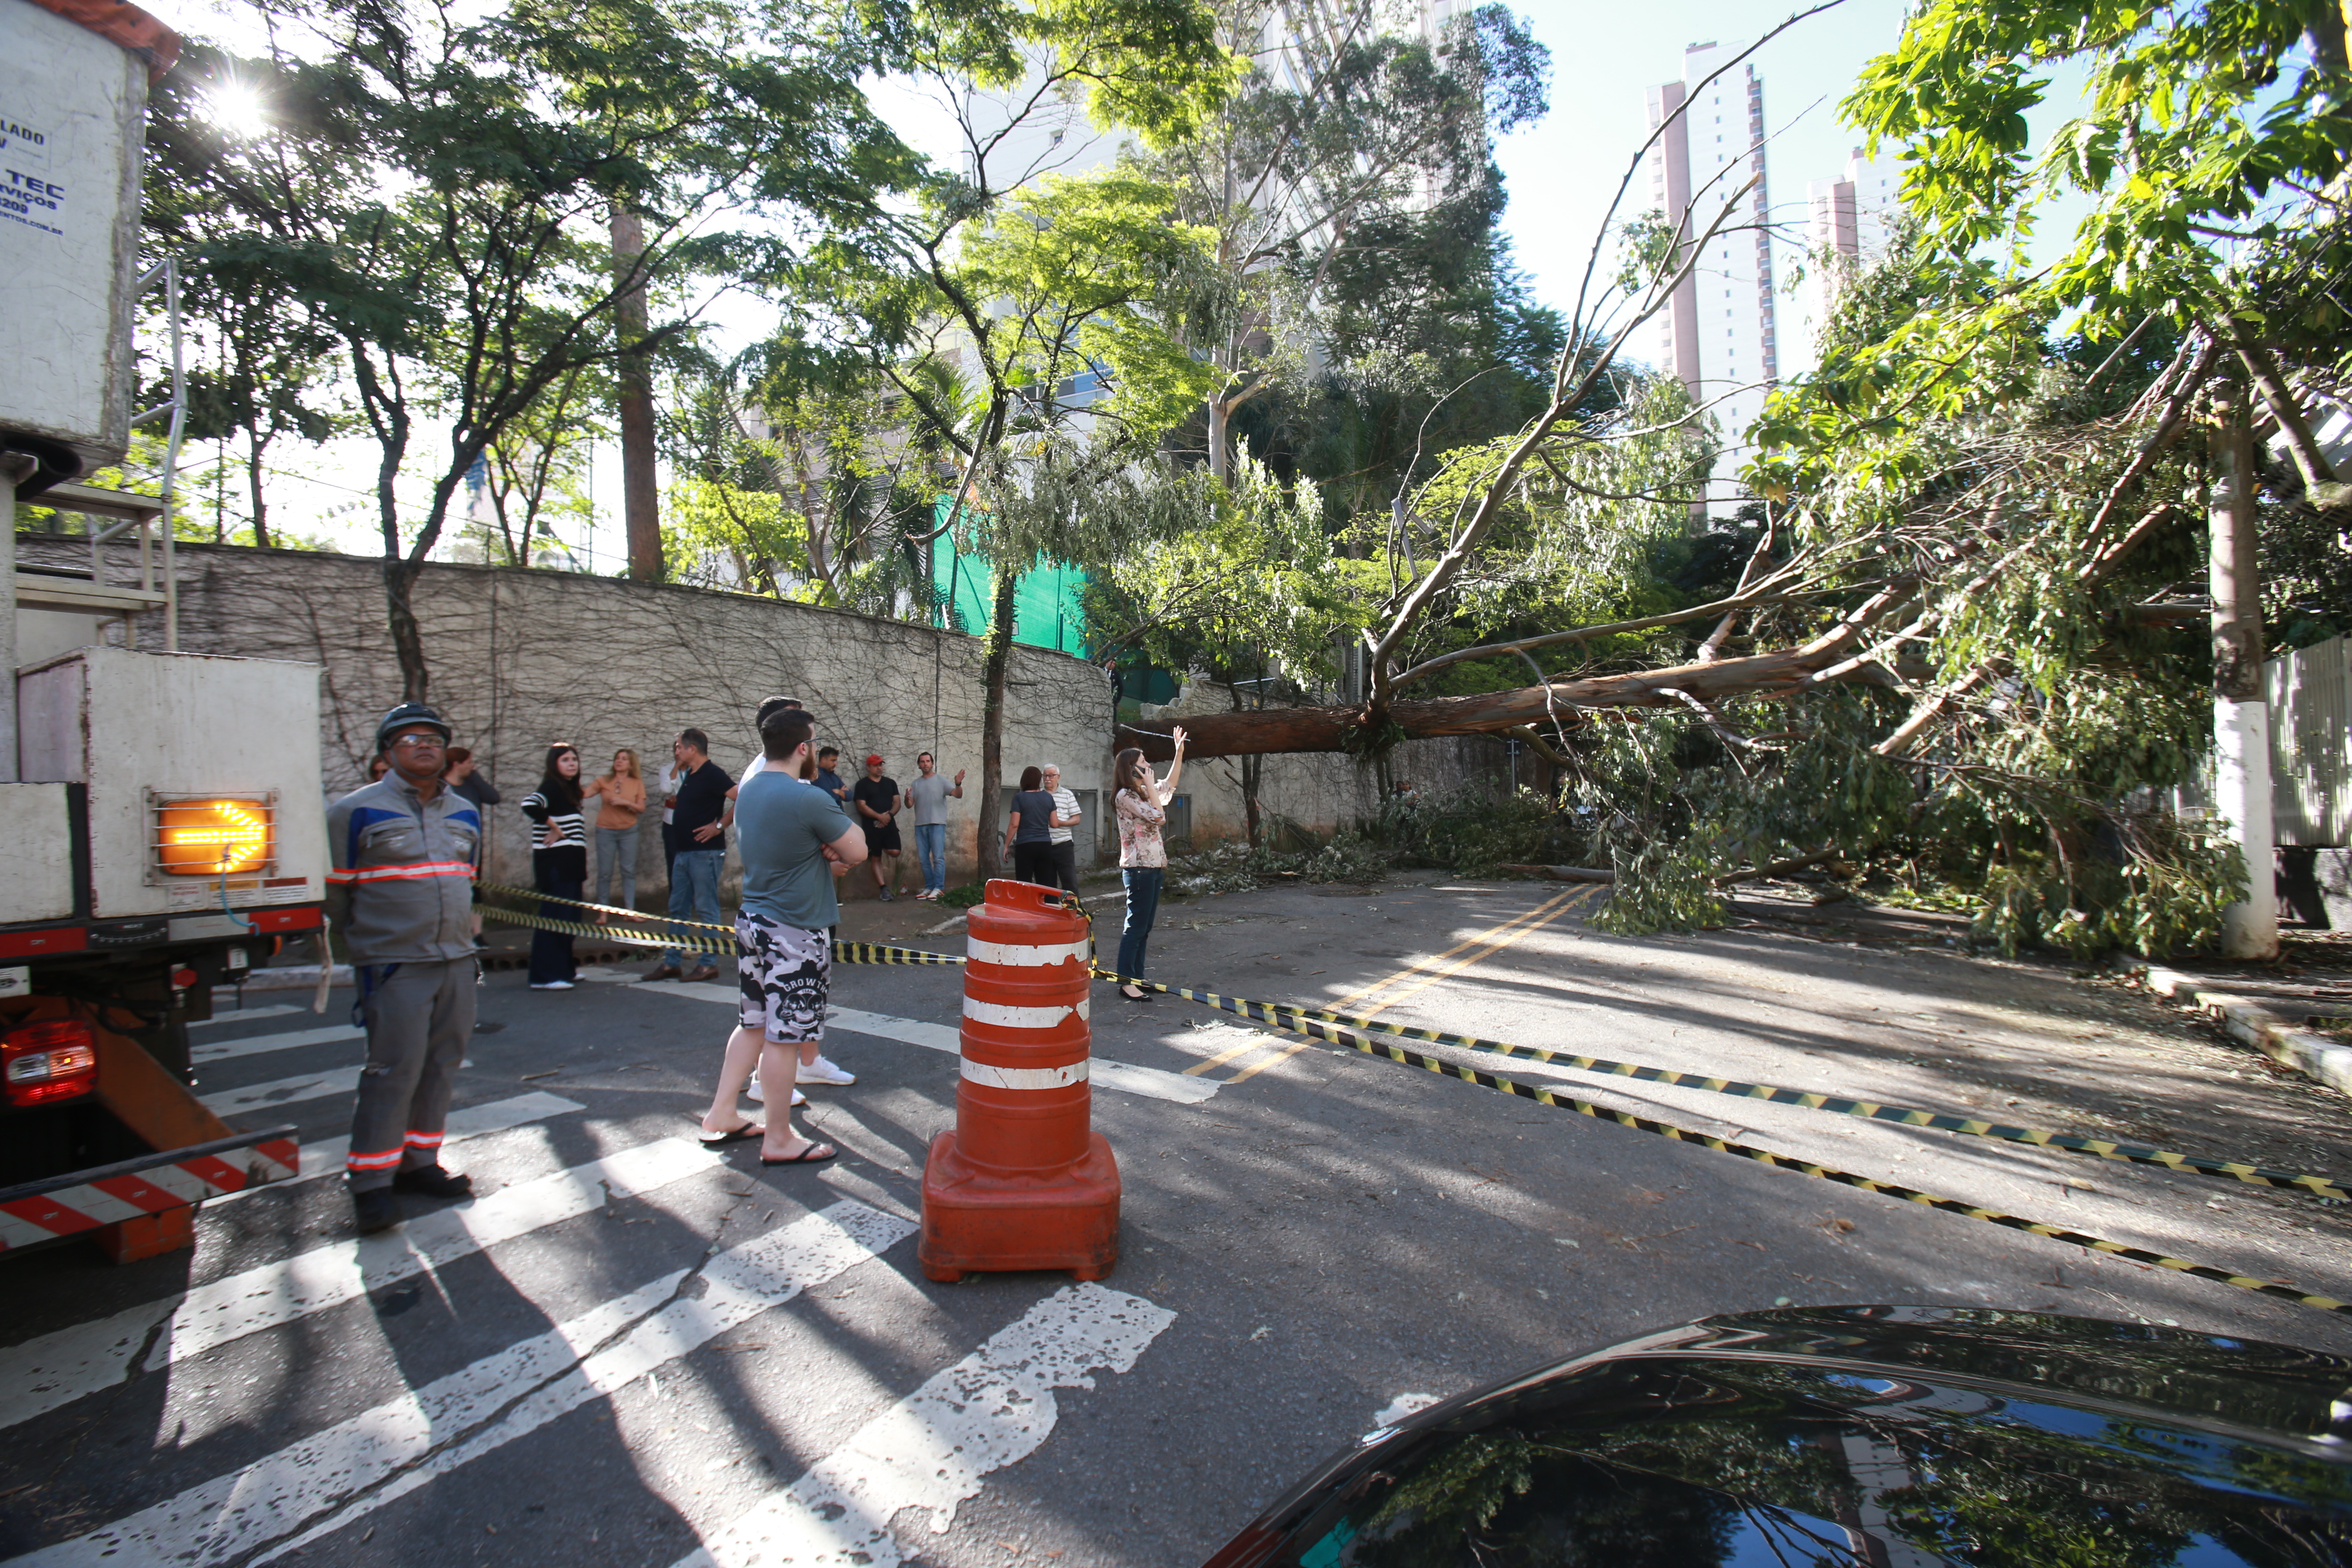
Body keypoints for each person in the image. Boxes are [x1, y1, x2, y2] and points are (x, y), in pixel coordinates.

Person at [324, 702, 481, 1235]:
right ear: (388, 752)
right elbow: (338, 896)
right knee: (393, 1070)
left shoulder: (464, 811)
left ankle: (419, 1164)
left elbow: (466, 880)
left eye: (433, 738)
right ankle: (371, 1183)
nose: (424, 745)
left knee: (442, 1064)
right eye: (409, 738)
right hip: (395, 964)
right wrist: (363, 950)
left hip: (456, 960)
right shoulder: (354, 812)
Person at [699, 708, 868, 1165]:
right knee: (785, 1036)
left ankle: (721, 1113)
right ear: (803, 748)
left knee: (752, 1024)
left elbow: (790, 849)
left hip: (753, 921)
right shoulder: (808, 798)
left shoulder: (750, 791)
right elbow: (858, 848)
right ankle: (778, 1138)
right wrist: (829, 844)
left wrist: (818, 850)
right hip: (795, 929)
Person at [646, 729, 730, 983]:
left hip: (705, 853)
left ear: (692, 749)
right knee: (677, 907)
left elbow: (743, 797)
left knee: (706, 908)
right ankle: (672, 962)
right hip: (683, 852)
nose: (677, 751)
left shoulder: (713, 774)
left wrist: (718, 826)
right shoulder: (690, 775)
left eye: (679, 747)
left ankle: (708, 964)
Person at [1110, 728, 1186, 1001]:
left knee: (1145, 927)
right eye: (1144, 763)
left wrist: (1179, 752)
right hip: (1138, 868)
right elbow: (1159, 817)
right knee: (1135, 927)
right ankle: (1126, 982)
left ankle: (1137, 978)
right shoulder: (1125, 797)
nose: (1150, 766)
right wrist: (1153, 789)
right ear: (1132, 769)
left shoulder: (1143, 792)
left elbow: (1171, 784)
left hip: (1154, 866)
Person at [520, 743, 588, 990]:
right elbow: (530, 805)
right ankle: (544, 976)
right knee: (553, 918)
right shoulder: (551, 787)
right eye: (565, 760)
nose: (572, 764)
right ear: (554, 764)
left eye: (574, 760)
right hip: (556, 866)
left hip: (573, 866)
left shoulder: (569, 791)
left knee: (570, 920)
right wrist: (553, 826)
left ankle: (564, 969)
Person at [443, 747, 501, 947]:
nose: (473, 766)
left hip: (472, 847)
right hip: (447, 847)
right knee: (451, 891)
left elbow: (493, 797)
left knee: (475, 890)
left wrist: (475, 776)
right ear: (456, 765)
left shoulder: (471, 784)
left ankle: (477, 934)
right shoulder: (441, 787)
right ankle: (454, 932)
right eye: (469, 762)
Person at [590, 749, 647, 912]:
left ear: (631, 764)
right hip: (605, 831)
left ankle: (630, 911)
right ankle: (603, 913)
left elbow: (641, 808)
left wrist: (625, 802)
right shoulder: (603, 781)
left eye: (624, 759)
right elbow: (585, 793)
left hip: (629, 832)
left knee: (628, 871)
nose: (619, 761)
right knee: (605, 873)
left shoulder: (636, 783)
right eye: (617, 758)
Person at [905, 752, 964, 900]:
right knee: (924, 859)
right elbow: (909, 805)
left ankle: (939, 888)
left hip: (937, 824)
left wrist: (958, 784)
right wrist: (906, 798)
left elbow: (958, 795)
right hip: (920, 825)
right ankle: (929, 887)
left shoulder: (941, 781)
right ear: (919, 765)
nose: (925, 764)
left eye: (928, 761)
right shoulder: (916, 784)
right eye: (923, 762)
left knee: (938, 858)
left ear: (932, 763)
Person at [850, 754, 905, 901]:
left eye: (881, 765)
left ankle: (878, 848)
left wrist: (889, 817)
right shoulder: (862, 785)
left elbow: (897, 802)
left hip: (889, 824)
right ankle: (883, 889)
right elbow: (861, 806)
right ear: (868, 768)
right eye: (876, 765)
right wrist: (878, 817)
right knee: (876, 857)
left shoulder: (890, 783)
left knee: (895, 851)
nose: (879, 768)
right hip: (872, 826)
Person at [1004, 766, 1059, 887]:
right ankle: (1045, 905)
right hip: (1045, 845)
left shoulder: (1019, 797)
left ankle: (1026, 905)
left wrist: (1006, 846)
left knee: (1024, 883)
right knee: (1045, 884)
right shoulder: (1048, 797)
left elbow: (1014, 824)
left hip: (1026, 845)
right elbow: (1055, 824)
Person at [1039, 763, 1083, 892]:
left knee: (1069, 882)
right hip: (1044, 844)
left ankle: (1073, 910)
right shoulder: (1039, 795)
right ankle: (1051, 910)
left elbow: (1077, 819)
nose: (1047, 779)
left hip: (1064, 843)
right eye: (1045, 776)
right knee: (1047, 884)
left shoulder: (1067, 795)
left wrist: (1059, 823)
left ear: (1058, 777)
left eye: (1051, 776)